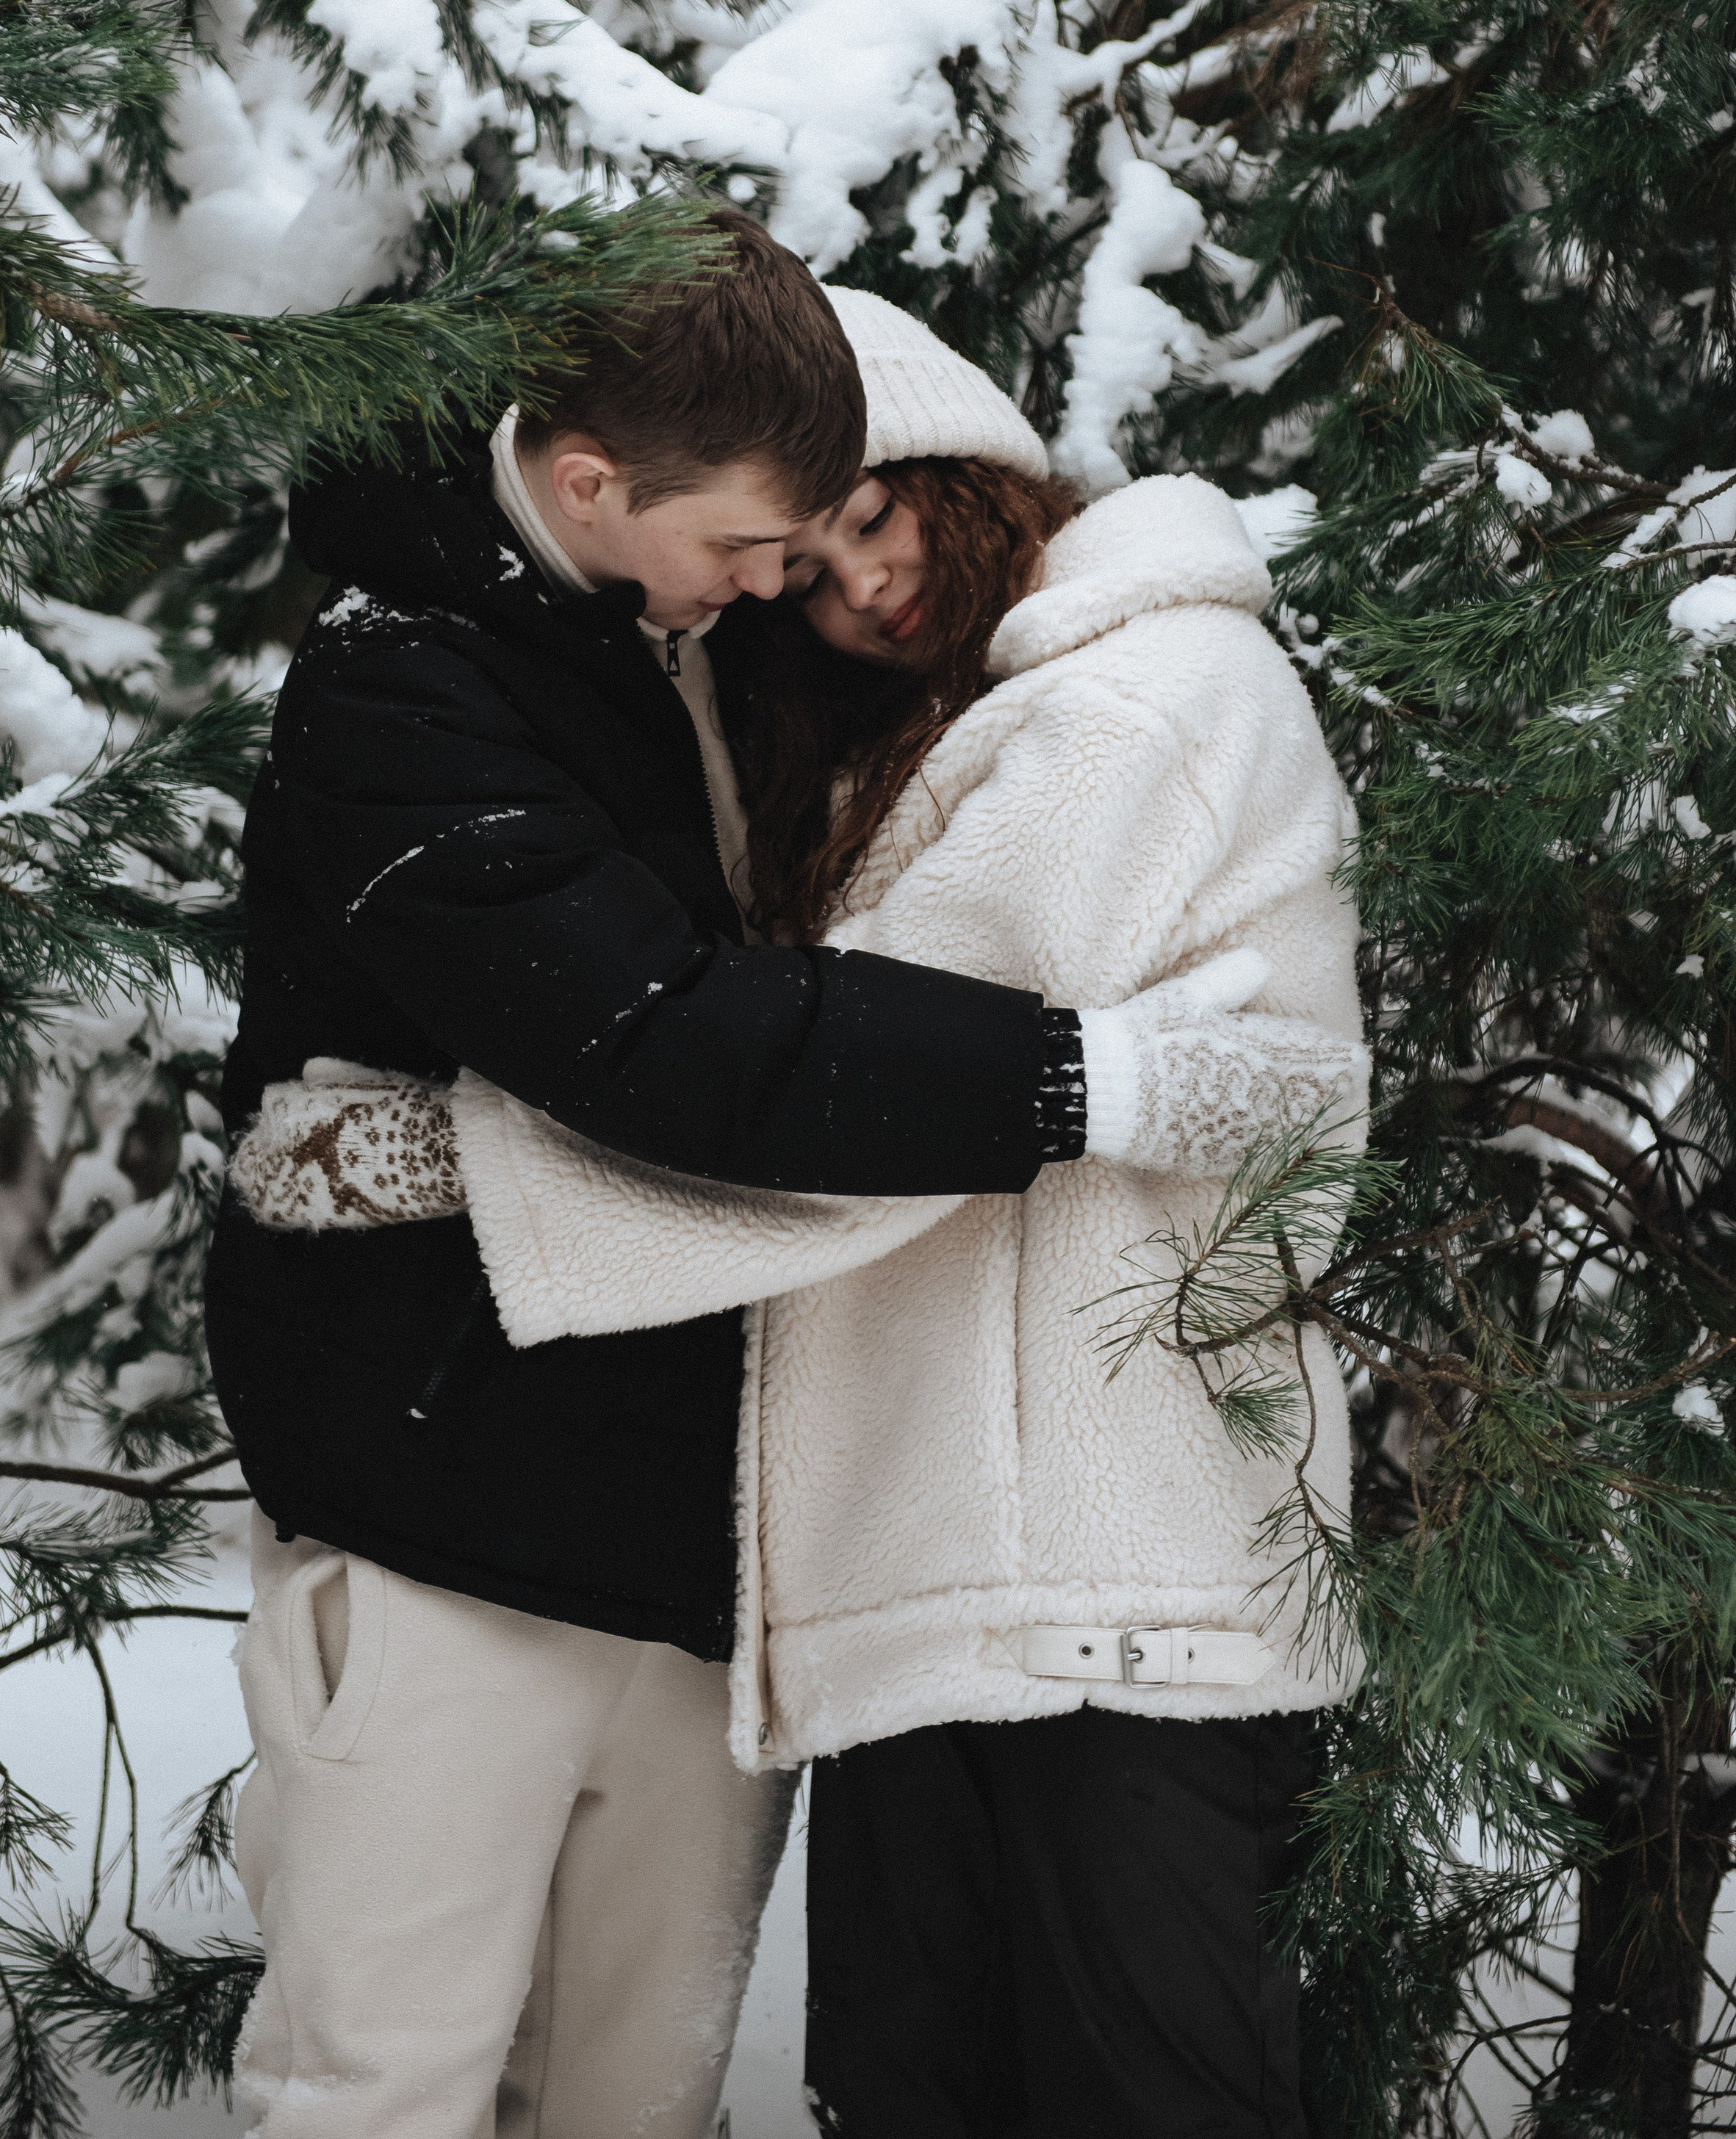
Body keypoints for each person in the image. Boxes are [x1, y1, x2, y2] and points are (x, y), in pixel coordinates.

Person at [209, 218, 1353, 2139]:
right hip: (500, 1530)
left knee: (662, 2098)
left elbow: (787, 1065)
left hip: (896, 1561)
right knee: (383, 2087)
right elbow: (692, 1052)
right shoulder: (448, 688)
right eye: (783, 547)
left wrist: (471, 1166)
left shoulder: (1020, 700)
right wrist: (1102, 1079)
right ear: (600, 484)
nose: (821, 579)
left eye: (860, 515)